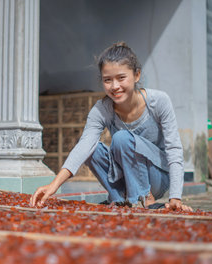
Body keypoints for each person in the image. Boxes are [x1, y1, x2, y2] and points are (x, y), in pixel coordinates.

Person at [30, 42, 192, 212]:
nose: (115, 87)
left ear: (136, 75)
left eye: (121, 78)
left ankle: (144, 200)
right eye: (108, 80)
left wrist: (175, 197)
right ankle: (119, 199)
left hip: (157, 178)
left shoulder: (159, 102)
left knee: (121, 138)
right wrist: (54, 185)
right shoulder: (102, 110)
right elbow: (84, 147)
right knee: (90, 148)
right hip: (126, 178)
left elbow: (174, 149)